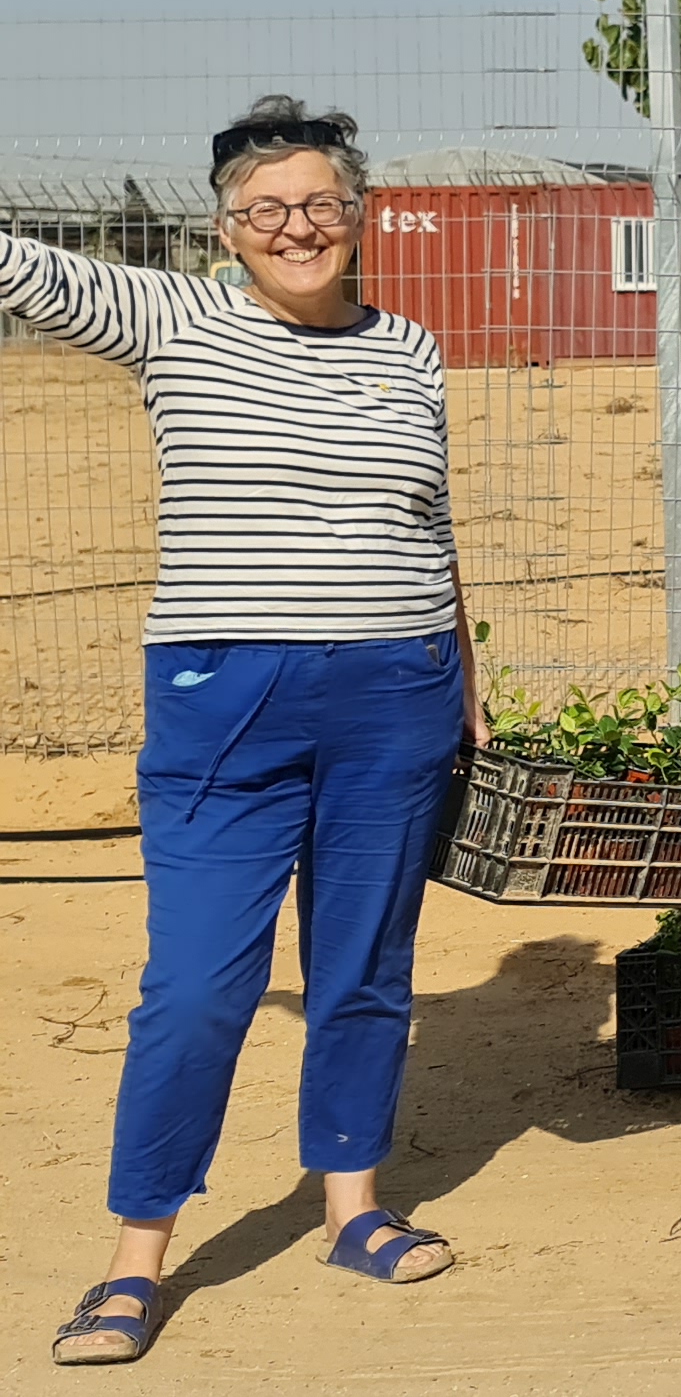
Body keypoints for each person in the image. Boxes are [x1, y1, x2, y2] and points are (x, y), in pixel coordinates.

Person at [23, 100, 485, 1366]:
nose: (297, 226)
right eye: (266, 208)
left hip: (399, 691)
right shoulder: (175, 317)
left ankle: (351, 1203)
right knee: (198, 985)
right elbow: (20, 263)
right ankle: (135, 1253)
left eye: (321, 203)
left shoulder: (410, 349)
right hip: (224, 699)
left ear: (360, 212)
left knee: (365, 967)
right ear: (225, 227)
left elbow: (429, 520)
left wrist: (467, 676)